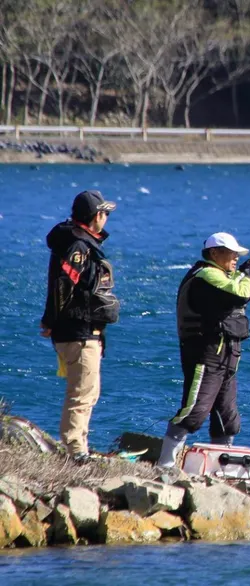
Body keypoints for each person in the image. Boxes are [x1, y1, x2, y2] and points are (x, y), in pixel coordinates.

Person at [157, 232, 250, 468]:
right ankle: (165, 465)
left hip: (227, 355)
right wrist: (246, 275)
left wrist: (241, 272)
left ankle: (220, 469)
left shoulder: (220, 275)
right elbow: (239, 293)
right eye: (231, 253)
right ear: (214, 253)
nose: (235, 257)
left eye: (237, 254)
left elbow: (230, 286)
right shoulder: (205, 275)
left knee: (227, 418)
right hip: (206, 354)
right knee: (194, 411)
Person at [40, 190, 119, 463]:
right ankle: (76, 451)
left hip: (81, 332)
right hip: (78, 332)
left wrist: (51, 320)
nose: (107, 218)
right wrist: (52, 320)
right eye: (105, 213)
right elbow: (64, 283)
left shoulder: (77, 241)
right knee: (81, 394)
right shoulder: (79, 246)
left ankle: (80, 445)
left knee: (89, 392)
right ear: (96, 216)